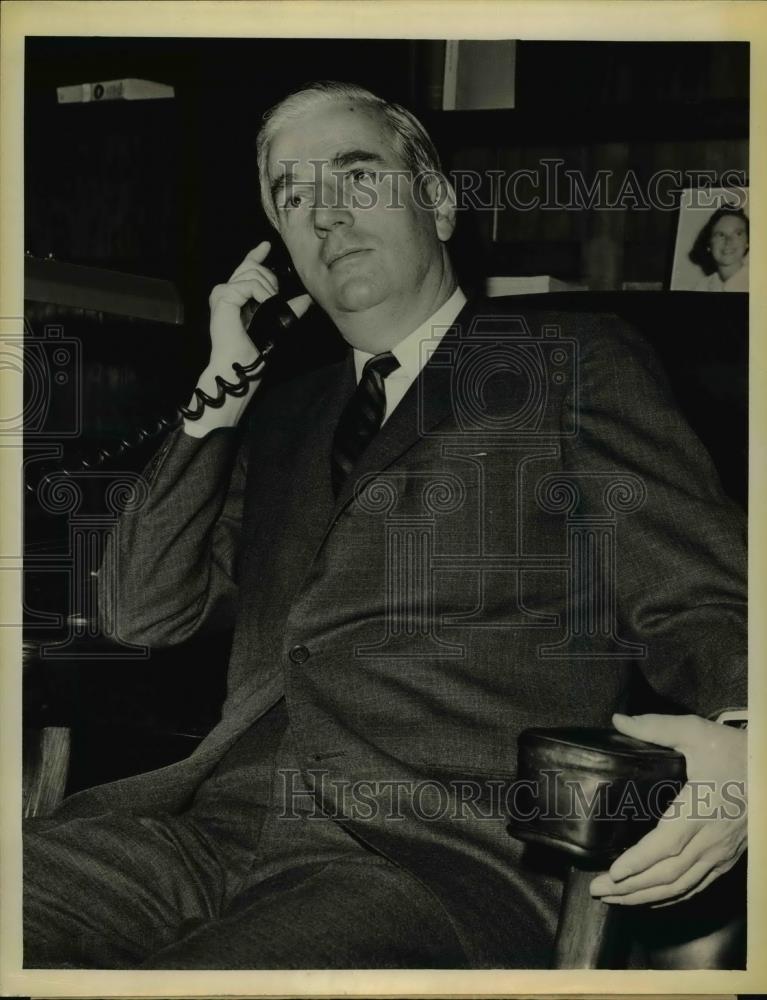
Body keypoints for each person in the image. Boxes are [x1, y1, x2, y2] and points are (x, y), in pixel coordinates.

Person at [24, 81, 747, 970]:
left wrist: (748, 735)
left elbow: (699, 595)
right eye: (293, 195)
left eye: (356, 177)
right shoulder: (279, 417)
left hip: (425, 861)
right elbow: (139, 613)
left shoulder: (569, 362)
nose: (324, 213)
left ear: (438, 203)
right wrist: (220, 397)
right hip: (199, 835)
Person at [690, 205, 749, 292]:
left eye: (738, 234)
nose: (728, 241)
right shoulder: (701, 287)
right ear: (709, 244)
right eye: (720, 234)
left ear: (747, 242)